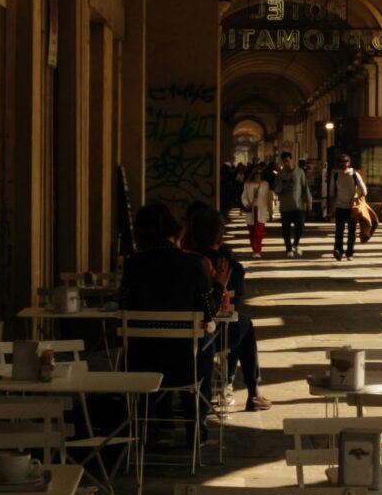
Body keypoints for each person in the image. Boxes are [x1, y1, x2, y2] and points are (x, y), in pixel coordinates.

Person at [118, 199, 219, 413]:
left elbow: (124, 306)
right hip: (185, 363)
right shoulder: (194, 264)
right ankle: (195, 419)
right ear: (174, 228)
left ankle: (147, 422)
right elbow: (208, 312)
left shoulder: (134, 264)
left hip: (140, 361)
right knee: (204, 342)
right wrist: (218, 288)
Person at [181, 200, 269, 411]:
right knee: (242, 325)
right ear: (219, 235)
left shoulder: (183, 261)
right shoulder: (230, 267)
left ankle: (228, 383)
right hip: (212, 336)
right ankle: (251, 390)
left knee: (237, 324)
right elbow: (230, 307)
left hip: (178, 335)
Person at [331, 152, 367, 259]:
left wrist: (356, 198)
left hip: (352, 209)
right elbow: (332, 193)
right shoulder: (336, 175)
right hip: (340, 207)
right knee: (339, 232)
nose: (343, 163)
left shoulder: (355, 175)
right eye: (341, 162)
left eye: (345, 161)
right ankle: (338, 251)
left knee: (352, 232)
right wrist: (331, 208)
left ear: (349, 162)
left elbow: (364, 191)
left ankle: (350, 252)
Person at [276, 150, 311, 255]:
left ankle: (296, 243)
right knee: (285, 229)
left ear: (292, 160)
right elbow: (276, 189)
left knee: (300, 226)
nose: (286, 163)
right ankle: (288, 249)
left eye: (287, 161)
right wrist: (282, 185)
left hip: (298, 205)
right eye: (284, 162)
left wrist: (308, 201)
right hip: (285, 206)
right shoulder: (280, 174)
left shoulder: (299, 172)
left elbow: (305, 187)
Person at [241, 161, 279, 255]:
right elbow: (243, 196)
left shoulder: (265, 184)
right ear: (253, 175)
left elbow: (268, 197)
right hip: (251, 210)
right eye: (256, 174)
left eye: (260, 174)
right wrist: (246, 204)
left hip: (261, 210)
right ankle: (254, 249)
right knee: (252, 232)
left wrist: (271, 210)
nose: (258, 175)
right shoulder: (247, 184)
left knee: (259, 232)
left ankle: (258, 250)